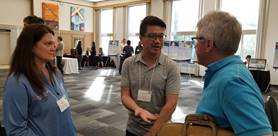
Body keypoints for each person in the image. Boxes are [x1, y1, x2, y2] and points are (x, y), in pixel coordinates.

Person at [193, 11, 272, 136]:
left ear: (208, 44)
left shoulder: (232, 81)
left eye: (196, 40)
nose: (195, 45)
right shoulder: (227, 74)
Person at [3, 24, 76, 136]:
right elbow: (16, 131)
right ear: (31, 46)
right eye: (48, 44)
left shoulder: (56, 73)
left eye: (54, 43)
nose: (54, 47)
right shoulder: (17, 82)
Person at [121, 16, 181, 136]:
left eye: (161, 36)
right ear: (141, 38)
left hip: (161, 130)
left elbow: (171, 103)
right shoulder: (128, 63)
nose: (157, 41)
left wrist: (153, 132)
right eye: (152, 36)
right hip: (133, 128)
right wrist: (138, 109)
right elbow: (125, 95)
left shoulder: (171, 67)